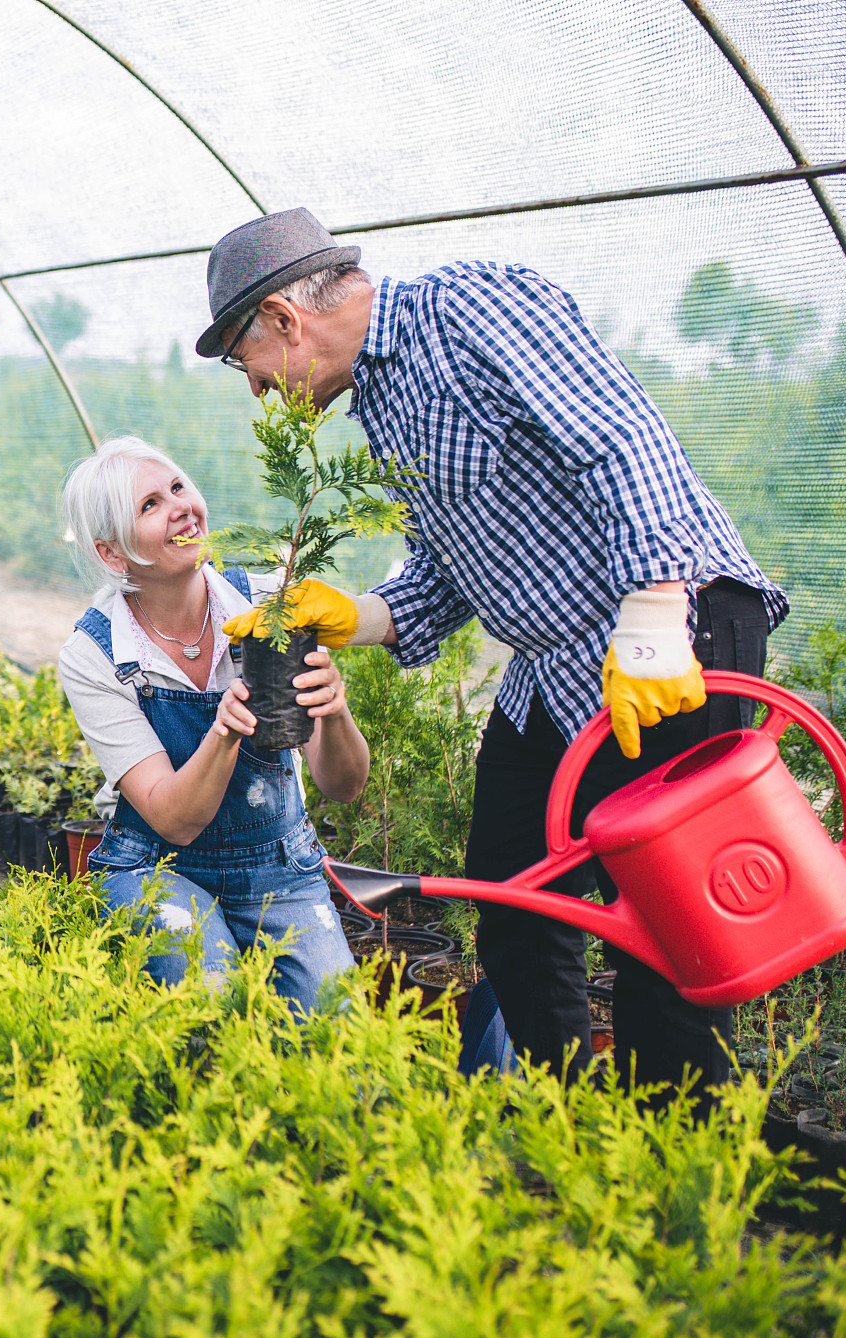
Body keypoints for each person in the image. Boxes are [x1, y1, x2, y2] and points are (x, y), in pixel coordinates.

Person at [199, 207, 786, 1097]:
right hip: (557, 669)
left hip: (669, 636)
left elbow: (619, 439)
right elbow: (451, 571)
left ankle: (681, 1157)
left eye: (249, 366)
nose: (259, 391)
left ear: (285, 318)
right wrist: (349, 613)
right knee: (512, 904)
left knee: (669, 932)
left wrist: (658, 608)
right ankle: (565, 1117)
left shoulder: (470, 307)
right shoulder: (384, 403)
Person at [56, 436, 368, 1011]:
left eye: (178, 487)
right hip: (157, 865)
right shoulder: (95, 654)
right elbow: (172, 820)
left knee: (338, 1021)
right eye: (149, 505)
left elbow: (344, 785)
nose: (179, 506)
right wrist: (225, 730)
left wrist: (334, 706)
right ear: (112, 553)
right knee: (214, 1002)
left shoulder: (273, 604)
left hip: (281, 864)